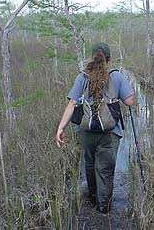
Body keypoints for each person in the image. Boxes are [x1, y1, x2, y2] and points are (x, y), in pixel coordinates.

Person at [55, 42, 134, 214]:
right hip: (110, 133)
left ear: (92, 57)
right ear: (109, 59)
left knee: (90, 165)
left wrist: (61, 128)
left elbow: (72, 103)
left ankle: (92, 198)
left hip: (85, 132)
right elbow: (129, 101)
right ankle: (104, 209)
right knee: (105, 170)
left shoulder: (82, 77)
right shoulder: (117, 76)